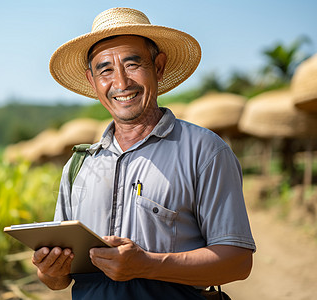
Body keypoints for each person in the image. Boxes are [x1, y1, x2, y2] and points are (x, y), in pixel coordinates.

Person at [32, 7, 256, 299]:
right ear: (91, 81)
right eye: (105, 70)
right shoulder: (79, 165)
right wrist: (51, 270)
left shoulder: (205, 152)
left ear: (159, 67)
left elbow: (237, 262)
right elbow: (58, 282)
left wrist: (147, 265)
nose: (121, 83)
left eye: (132, 64)